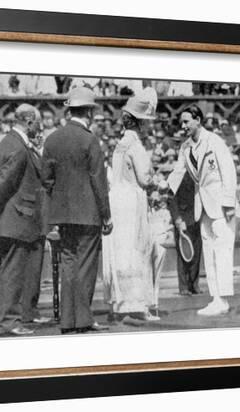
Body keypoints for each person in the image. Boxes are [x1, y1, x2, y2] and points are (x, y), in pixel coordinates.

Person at [42, 87, 112, 334]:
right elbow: (98, 181)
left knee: (68, 266)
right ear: (90, 112)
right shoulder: (89, 140)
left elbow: (46, 180)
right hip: (88, 214)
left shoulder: (52, 139)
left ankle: (68, 321)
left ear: (69, 109)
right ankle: (83, 319)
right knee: (86, 268)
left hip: (62, 215)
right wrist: (106, 215)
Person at [0, 103, 49, 337]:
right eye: (38, 123)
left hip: (9, 218)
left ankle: (10, 320)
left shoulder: (8, 142)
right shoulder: (19, 147)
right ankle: (9, 323)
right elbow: (2, 183)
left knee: (8, 273)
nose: (39, 128)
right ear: (29, 121)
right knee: (12, 273)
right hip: (16, 218)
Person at [102, 89, 165, 322]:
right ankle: (139, 305)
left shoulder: (119, 144)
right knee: (138, 250)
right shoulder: (136, 146)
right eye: (147, 123)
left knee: (121, 251)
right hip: (131, 202)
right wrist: (159, 184)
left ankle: (118, 304)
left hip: (116, 200)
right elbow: (145, 179)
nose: (149, 127)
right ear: (140, 124)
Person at [167, 105, 237, 316]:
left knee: (222, 250)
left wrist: (229, 202)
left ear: (198, 120)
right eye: (182, 122)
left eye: (187, 121)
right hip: (202, 205)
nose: (183, 125)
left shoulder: (215, 142)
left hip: (220, 205)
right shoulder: (185, 147)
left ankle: (223, 299)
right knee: (209, 250)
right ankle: (216, 298)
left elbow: (228, 171)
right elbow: (178, 172)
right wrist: (162, 187)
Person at [167, 170, 203, 296]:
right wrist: (177, 219)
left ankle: (194, 284)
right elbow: (171, 199)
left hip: (197, 220)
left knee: (197, 254)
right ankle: (183, 287)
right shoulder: (175, 176)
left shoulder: (198, 174)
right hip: (182, 221)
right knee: (183, 255)